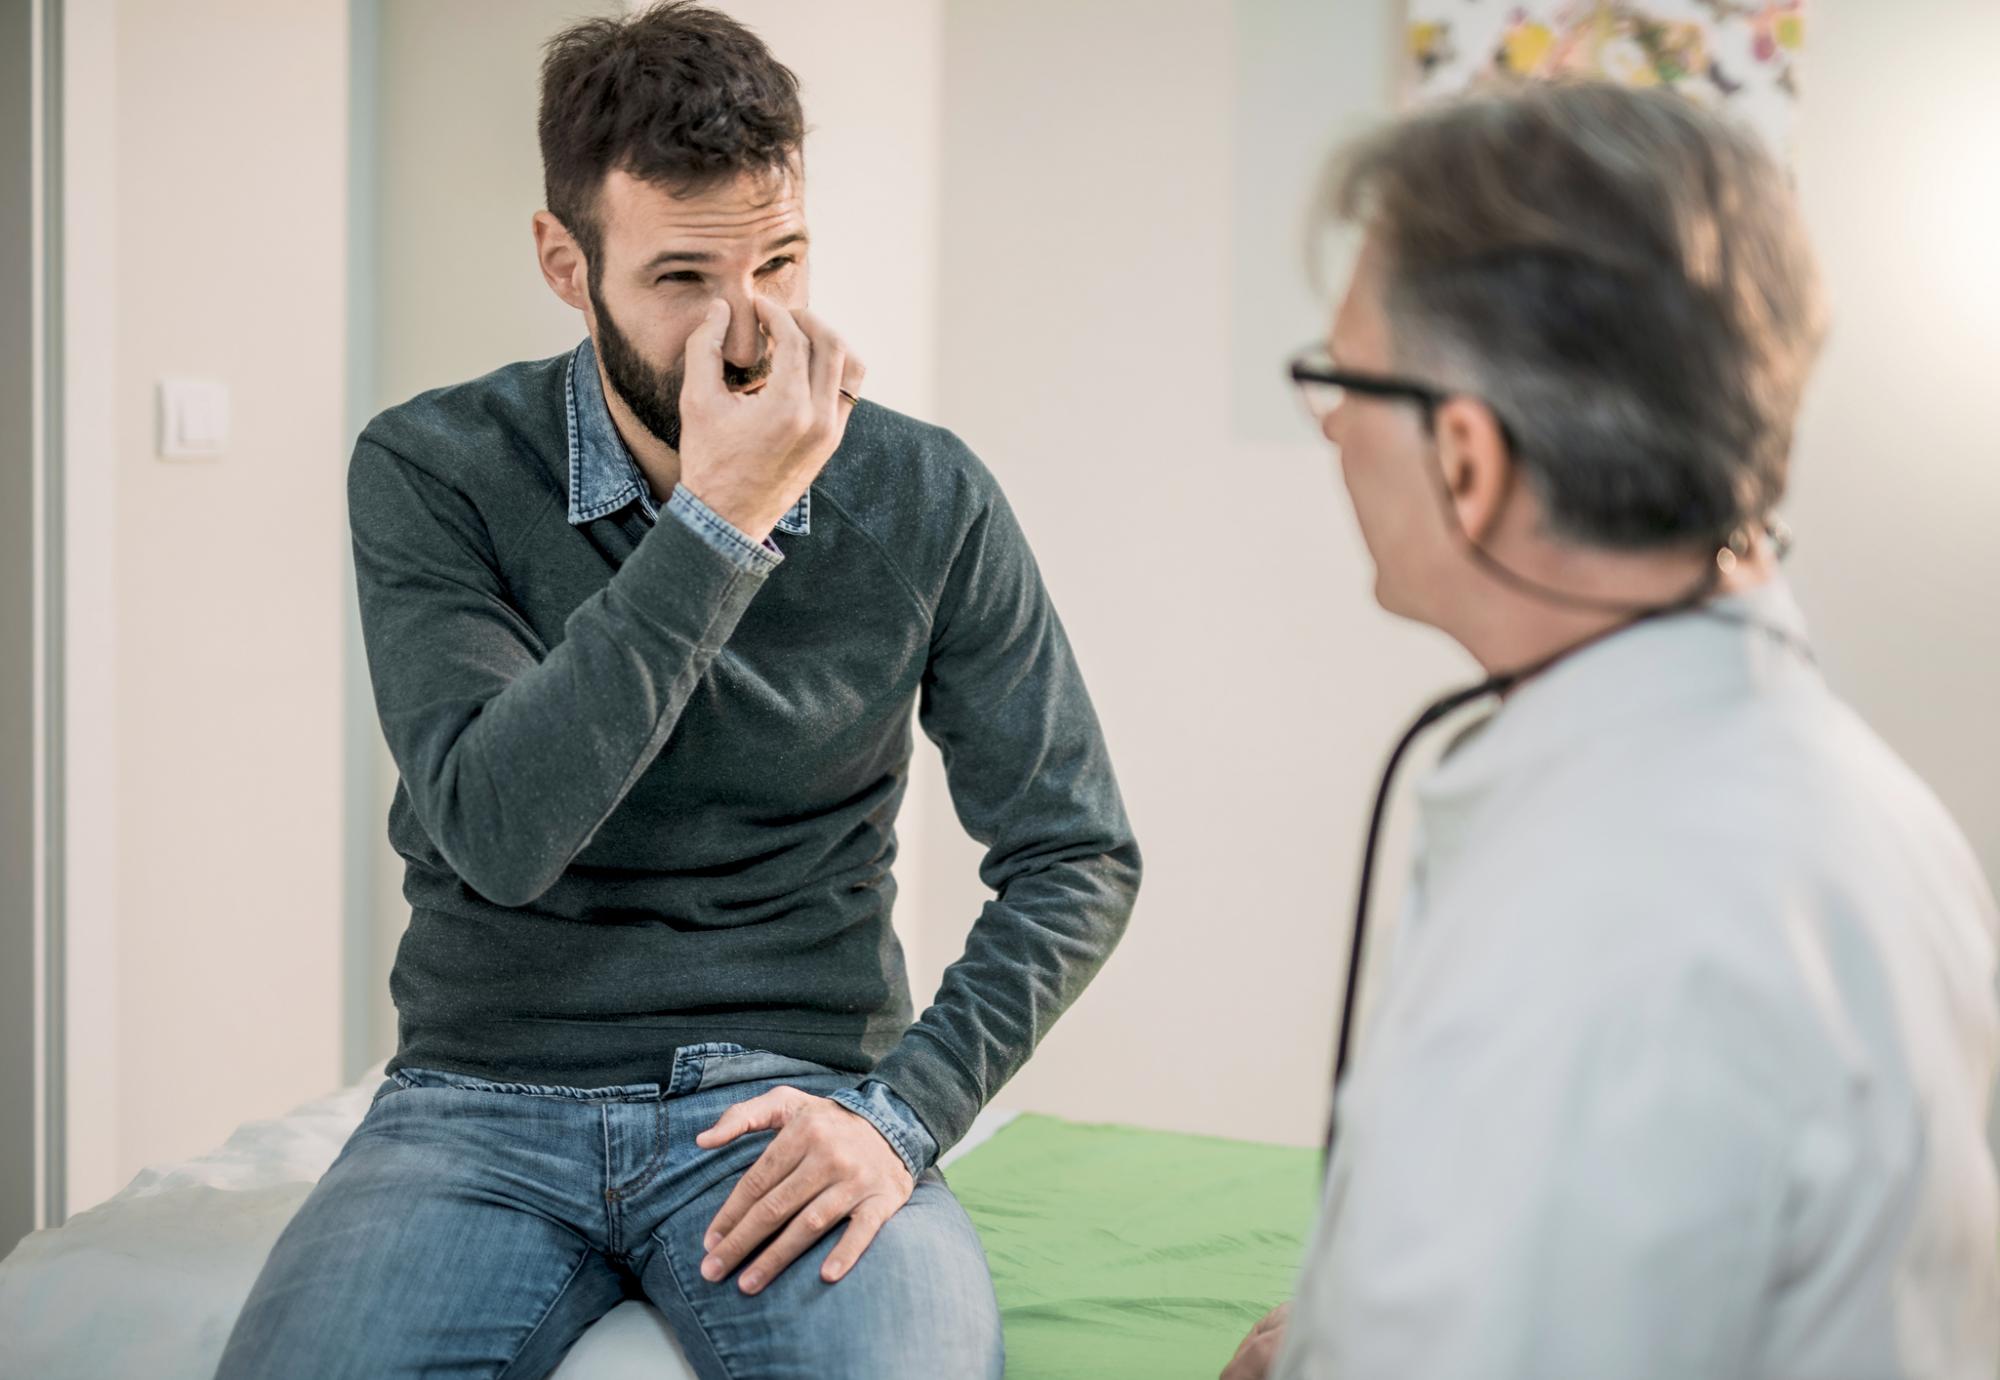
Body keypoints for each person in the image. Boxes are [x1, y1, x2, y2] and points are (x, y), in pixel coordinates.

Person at [216, 5, 1140, 1377]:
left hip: (796, 1097)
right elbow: (499, 831)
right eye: (683, 277)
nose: (748, 326)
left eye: (780, 259)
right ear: (563, 261)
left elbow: (1077, 854)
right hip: (480, 1102)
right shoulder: (432, 469)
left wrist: (900, 1120)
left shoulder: (926, 492)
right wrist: (716, 527)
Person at [1225, 80, 1999, 1379]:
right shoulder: (1832, 798)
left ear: (1467, 462)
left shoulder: (1614, 927)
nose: (1331, 424)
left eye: (1339, 375)